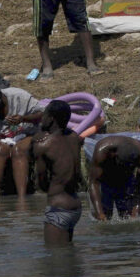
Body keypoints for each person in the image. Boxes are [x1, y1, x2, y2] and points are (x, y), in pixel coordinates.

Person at [33, 99, 85, 244]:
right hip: (75, 207)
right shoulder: (75, 138)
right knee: (68, 259)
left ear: (50, 118)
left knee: (55, 261)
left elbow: (41, 183)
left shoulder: (43, 145)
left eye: (44, 115)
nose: (42, 118)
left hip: (58, 207)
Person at [86, 133, 140, 221]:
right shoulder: (102, 150)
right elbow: (94, 183)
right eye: (124, 165)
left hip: (126, 181)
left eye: (131, 167)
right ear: (114, 155)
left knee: (127, 218)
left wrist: (136, 211)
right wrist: (100, 213)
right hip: (105, 179)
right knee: (103, 219)